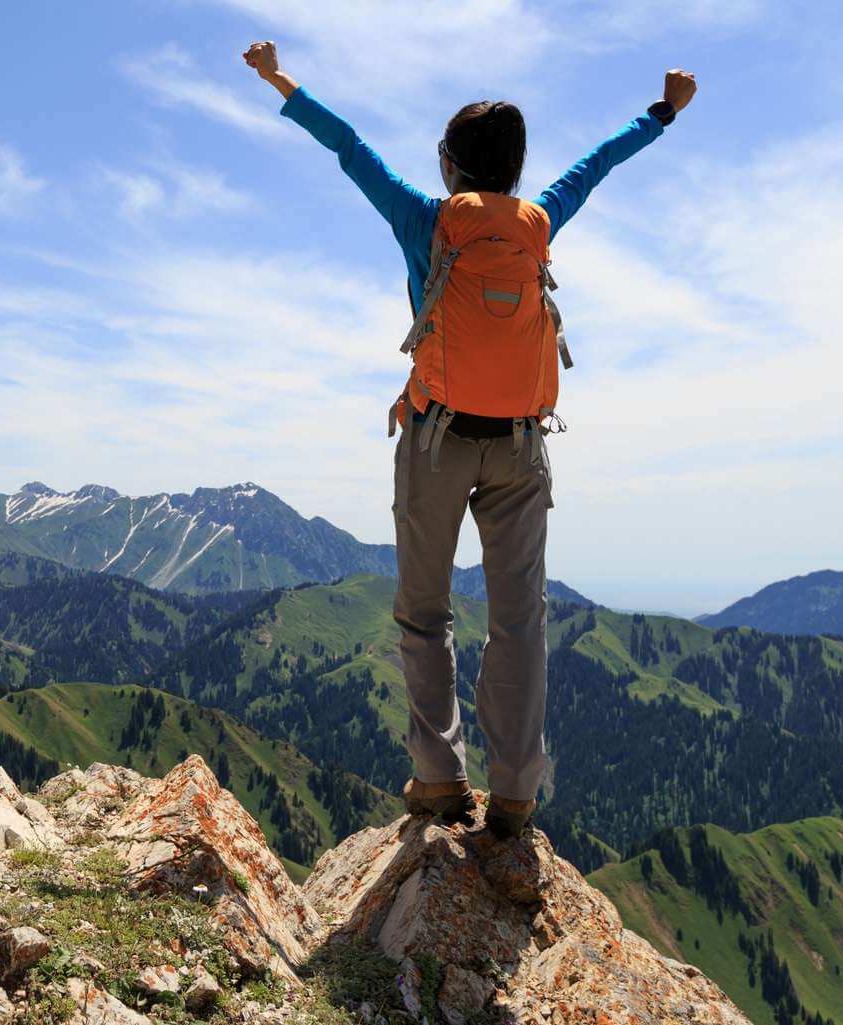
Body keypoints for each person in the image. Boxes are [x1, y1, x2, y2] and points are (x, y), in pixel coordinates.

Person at [242, 40, 696, 838]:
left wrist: (283, 81)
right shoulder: (539, 219)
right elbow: (598, 164)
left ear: (450, 166)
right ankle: (515, 793)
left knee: (425, 612)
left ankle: (441, 780)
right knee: (520, 619)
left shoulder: (423, 218)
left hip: (436, 437)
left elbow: (350, 147)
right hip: (521, 446)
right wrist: (660, 113)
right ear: (515, 173)